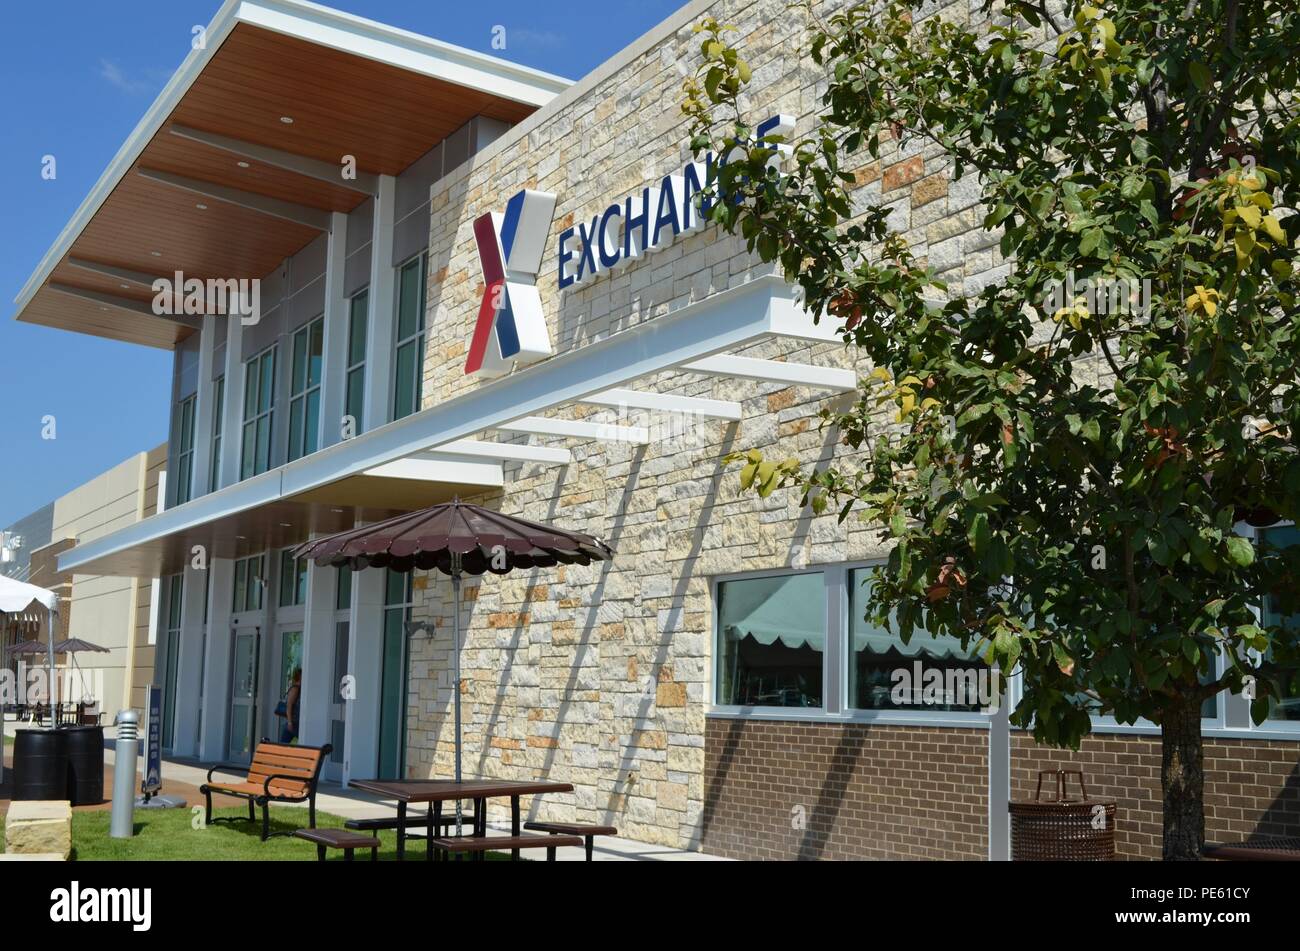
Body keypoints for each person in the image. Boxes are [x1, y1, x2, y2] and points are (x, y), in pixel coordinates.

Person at [280, 668, 302, 744]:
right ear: (299, 676)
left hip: (296, 722)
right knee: (283, 744)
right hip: (293, 722)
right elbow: (289, 705)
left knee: (283, 744)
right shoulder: (295, 689)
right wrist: (290, 722)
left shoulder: (300, 688)